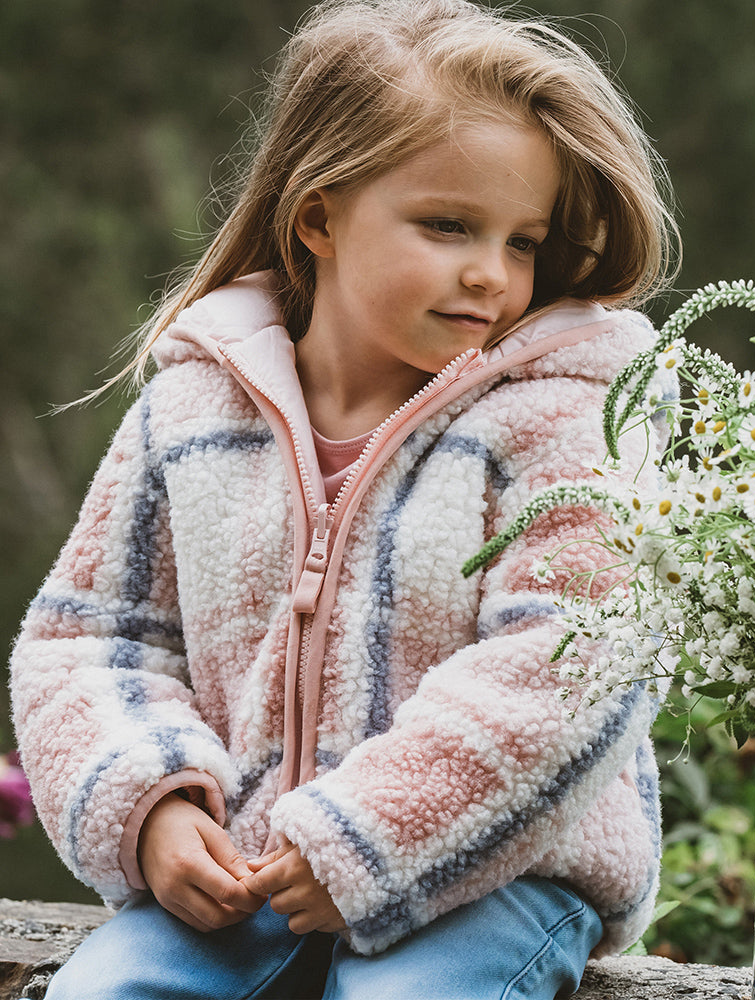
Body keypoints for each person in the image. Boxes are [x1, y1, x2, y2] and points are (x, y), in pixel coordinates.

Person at [10, 1, 680, 997]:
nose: (488, 273)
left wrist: (364, 838)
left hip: (491, 878)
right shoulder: (192, 406)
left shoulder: (566, 414)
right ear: (318, 215)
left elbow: (573, 663)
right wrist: (151, 805)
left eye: (522, 241)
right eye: (447, 224)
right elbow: (89, 640)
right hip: (245, 881)